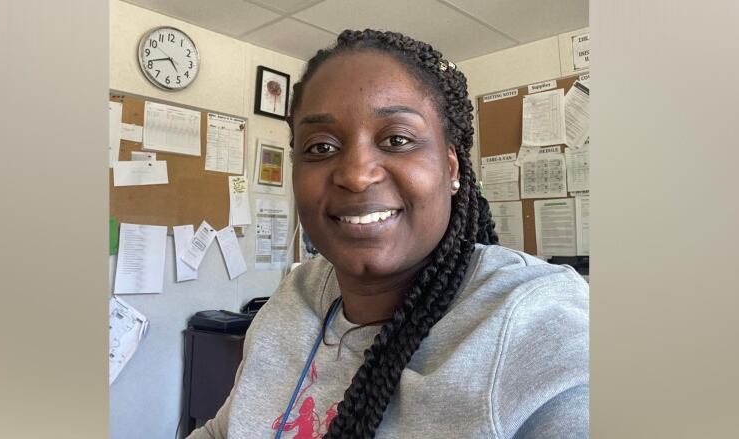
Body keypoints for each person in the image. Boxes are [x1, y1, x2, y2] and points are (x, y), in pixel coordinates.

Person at [188, 29, 588, 439]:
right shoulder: (296, 295)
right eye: (321, 147)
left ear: (451, 168)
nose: (357, 175)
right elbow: (224, 430)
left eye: (397, 140)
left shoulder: (537, 321)